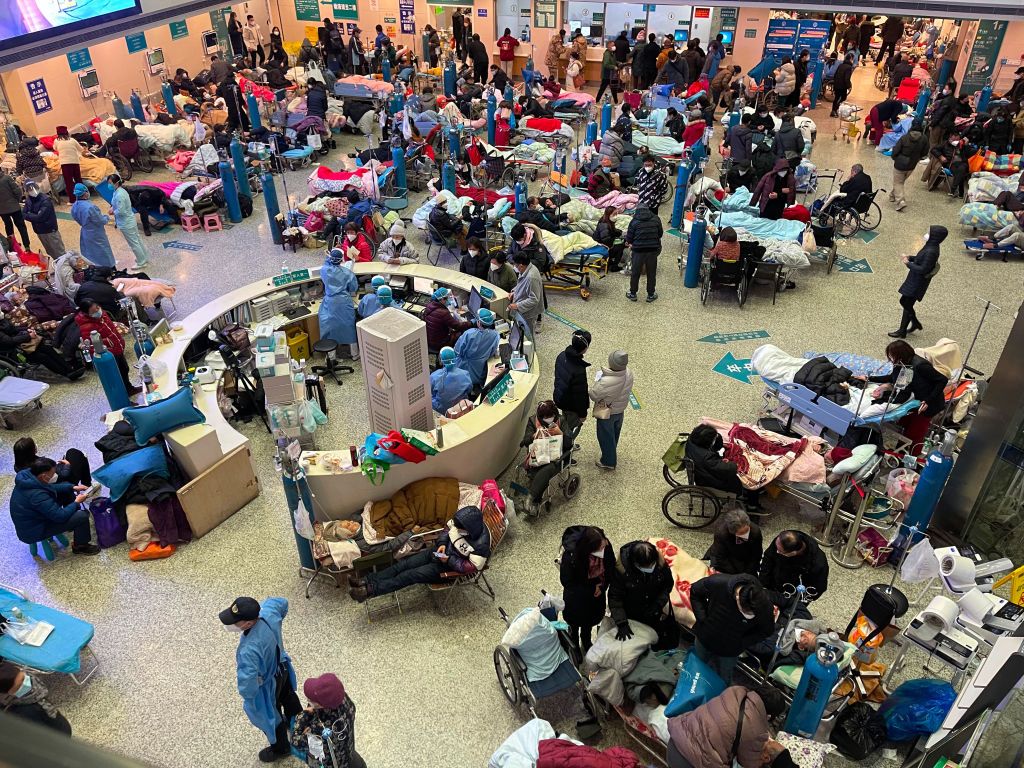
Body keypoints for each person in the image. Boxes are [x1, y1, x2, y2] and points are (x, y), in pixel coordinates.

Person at [349, 505, 491, 601]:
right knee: (402, 565)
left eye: (459, 528)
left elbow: (470, 567)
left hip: (446, 567)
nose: (455, 527)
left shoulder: (480, 546)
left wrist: (448, 560)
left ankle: (369, 590)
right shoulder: (459, 522)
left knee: (408, 575)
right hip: (437, 553)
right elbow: (446, 531)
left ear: (468, 529)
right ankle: (366, 580)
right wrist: (441, 544)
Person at [219, 597, 300, 763]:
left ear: (248, 624)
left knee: (271, 714)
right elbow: (282, 603)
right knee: (288, 696)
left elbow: (247, 681)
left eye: (236, 622)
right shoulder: (267, 614)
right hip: (282, 667)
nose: (233, 624)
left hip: (269, 684)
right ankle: (298, 723)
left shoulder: (249, 649)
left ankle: (282, 748)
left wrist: (250, 699)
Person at [666, 685, 792, 768]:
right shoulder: (756, 732)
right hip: (689, 762)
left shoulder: (735, 691)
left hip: (675, 740)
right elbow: (749, 763)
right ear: (769, 715)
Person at [866, 339, 948, 451]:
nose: (890, 359)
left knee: (915, 432)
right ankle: (901, 448)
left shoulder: (920, 366)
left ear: (901, 355)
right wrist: (870, 379)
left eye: (892, 356)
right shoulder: (902, 364)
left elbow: (942, 380)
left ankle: (912, 455)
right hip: (914, 400)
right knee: (904, 424)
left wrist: (928, 400)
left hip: (929, 403)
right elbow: (893, 378)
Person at [691, 574, 774, 682]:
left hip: (730, 651)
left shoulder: (763, 604)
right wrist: (702, 619)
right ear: (737, 598)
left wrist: (742, 642)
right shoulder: (718, 582)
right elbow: (695, 591)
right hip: (704, 638)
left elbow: (767, 630)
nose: (749, 616)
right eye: (746, 613)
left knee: (723, 679)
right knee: (696, 670)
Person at [10, 458, 98, 554]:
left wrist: (71, 487)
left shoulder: (27, 477)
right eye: (52, 474)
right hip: (35, 531)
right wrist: (76, 502)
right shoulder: (37, 495)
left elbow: (48, 487)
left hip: (33, 521)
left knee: (66, 490)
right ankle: (80, 546)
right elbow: (60, 516)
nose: (54, 475)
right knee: (82, 516)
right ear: (44, 476)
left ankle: (72, 523)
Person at [608, 540, 677, 650]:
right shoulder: (622, 571)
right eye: (647, 566)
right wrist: (622, 623)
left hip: (653, 612)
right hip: (630, 614)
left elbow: (667, 586)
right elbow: (615, 597)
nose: (651, 568)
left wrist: (658, 604)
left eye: (652, 565)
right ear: (635, 563)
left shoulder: (660, 564)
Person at [560, 525, 616, 653]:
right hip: (576, 599)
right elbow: (567, 581)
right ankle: (574, 642)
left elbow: (610, 567)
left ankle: (586, 640)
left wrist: (602, 586)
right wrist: (591, 589)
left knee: (588, 624)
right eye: (600, 548)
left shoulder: (605, 545)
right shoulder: (571, 557)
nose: (604, 548)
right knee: (574, 624)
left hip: (595, 599)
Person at [291, 673, 366, 768]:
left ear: (320, 705)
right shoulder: (345, 701)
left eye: (310, 700)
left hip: (331, 764)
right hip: (348, 754)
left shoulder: (319, 729)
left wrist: (302, 715)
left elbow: (296, 741)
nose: (308, 701)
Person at [75, 297, 141, 395]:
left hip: (117, 348)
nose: (98, 311)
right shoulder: (86, 326)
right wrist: (107, 345)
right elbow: (92, 345)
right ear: (87, 314)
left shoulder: (102, 314)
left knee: (124, 369)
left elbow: (112, 329)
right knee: (115, 376)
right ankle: (122, 396)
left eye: (98, 307)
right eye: (94, 310)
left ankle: (129, 389)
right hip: (108, 354)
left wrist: (119, 341)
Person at [888, 225, 945, 338]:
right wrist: (911, 258)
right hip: (915, 279)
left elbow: (923, 269)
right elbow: (921, 259)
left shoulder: (931, 251)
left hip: (917, 282)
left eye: (929, 233)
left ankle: (905, 328)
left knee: (906, 302)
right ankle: (912, 324)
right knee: (906, 302)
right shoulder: (931, 246)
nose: (926, 234)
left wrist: (907, 263)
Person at [0, 305, 82, 379]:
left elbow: (13, 329)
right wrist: (28, 336)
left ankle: (69, 368)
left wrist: (27, 329)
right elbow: (8, 341)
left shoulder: (2, 320)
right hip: (14, 352)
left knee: (47, 348)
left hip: (21, 343)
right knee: (42, 356)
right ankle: (67, 373)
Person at [520, 401, 575, 510]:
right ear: (540, 416)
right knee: (538, 470)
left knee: (547, 469)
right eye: (545, 417)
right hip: (538, 456)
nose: (548, 419)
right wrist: (533, 436)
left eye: (551, 416)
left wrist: (560, 433)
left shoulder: (561, 420)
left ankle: (531, 497)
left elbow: (569, 444)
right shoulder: (533, 421)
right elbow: (524, 442)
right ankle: (534, 498)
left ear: (555, 414)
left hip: (557, 458)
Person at [758, 530, 829, 605]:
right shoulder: (781, 541)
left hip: (792, 597)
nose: (777, 552)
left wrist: (795, 603)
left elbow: (817, 589)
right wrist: (763, 584)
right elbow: (768, 558)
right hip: (773, 585)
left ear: (793, 553)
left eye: (780, 551)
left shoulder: (818, 564)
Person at [589, 350, 634, 470]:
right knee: (614, 433)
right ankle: (612, 452)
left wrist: (597, 382)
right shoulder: (629, 373)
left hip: (607, 413)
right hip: (620, 410)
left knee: (605, 437)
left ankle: (608, 461)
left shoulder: (605, 382)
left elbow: (594, 395)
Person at [0, 662, 72, 734]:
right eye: (21, 681)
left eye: (24, 676)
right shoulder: (23, 712)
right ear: (9, 692)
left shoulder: (32, 690)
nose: (27, 680)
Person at [318, 248, 359, 360]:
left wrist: (328, 256)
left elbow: (327, 263)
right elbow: (353, 288)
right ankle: (355, 354)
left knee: (331, 329)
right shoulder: (347, 272)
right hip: (344, 302)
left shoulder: (324, 270)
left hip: (330, 302)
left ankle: (331, 357)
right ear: (341, 260)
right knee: (349, 328)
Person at [107, 174, 149, 270]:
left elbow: (121, 211)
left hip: (126, 223)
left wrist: (113, 212)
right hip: (129, 220)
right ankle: (144, 257)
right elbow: (118, 205)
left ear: (116, 183)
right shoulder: (119, 191)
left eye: (110, 183)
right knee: (137, 240)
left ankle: (141, 262)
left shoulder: (120, 194)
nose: (108, 185)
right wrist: (113, 207)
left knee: (133, 243)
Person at [13, 437, 92, 488]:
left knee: (71, 454)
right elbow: (63, 475)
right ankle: (87, 485)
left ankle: (87, 485)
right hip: (63, 483)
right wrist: (67, 465)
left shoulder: (18, 467)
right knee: (75, 453)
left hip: (49, 484)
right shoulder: (40, 466)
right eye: (34, 445)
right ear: (31, 451)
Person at [70, 183, 115, 268]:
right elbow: (100, 220)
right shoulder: (90, 207)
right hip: (96, 233)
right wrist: (106, 217)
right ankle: (109, 268)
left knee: (90, 253)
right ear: (85, 193)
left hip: (85, 232)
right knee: (103, 251)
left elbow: (76, 218)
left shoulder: (74, 206)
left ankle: (94, 269)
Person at [625, 203, 663, 303]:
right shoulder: (656, 219)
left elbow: (629, 238)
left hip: (638, 251)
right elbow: (660, 234)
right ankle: (650, 295)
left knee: (635, 273)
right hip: (652, 251)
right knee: (651, 273)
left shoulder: (634, 221)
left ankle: (633, 294)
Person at [706, 510, 762, 576]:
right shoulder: (722, 533)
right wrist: (735, 575)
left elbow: (756, 555)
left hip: (746, 557)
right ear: (732, 532)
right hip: (727, 559)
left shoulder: (755, 531)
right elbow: (721, 557)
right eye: (741, 533)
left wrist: (747, 573)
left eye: (747, 531)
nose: (746, 535)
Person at [453, 308, 499, 388]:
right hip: (479, 370)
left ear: (479, 322)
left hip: (463, 369)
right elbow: (492, 353)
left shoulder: (469, 333)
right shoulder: (495, 335)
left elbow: (457, 350)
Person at [553, 328, 591, 422]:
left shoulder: (561, 355)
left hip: (560, 397)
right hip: (571, 407)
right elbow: (580, 395)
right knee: (569, 430)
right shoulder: (579, 369)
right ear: (585, 348)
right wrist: (583, 414)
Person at [422, 287, 472, 353]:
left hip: (430, 340)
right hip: (440, 343)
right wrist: (470, 323)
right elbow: (458, 326)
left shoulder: (429, 306)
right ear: (441, 299)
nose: (448, 300)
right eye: (446, 298)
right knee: (463, 332)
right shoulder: (443, 313)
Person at [508, 253, 543, 336]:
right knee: (520, 332)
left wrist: (517, 305)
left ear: (520, 265)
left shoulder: (531, 277)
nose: (514, 267)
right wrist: (514, 291)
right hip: (523, 308)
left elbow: (534, 299)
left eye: (515, 265)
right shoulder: (526, 269)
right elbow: (522, 285)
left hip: (528, 312)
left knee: (527, 335)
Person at [430, 346, 474, 413]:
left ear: (441, 360)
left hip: (441, 410)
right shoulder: (465, 374)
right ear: (455, 359)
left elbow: (431, 392)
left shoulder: (434, 376)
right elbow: (469, 390)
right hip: (460, 407)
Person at [52, 126, 85, 203]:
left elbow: (55, 148)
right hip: (75, 162)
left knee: (69, 182)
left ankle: (73, 200)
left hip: (65, 163)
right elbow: (80, 149)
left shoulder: (56, 141)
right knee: (78, 180)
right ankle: (83, 196)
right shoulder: (72, 140)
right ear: (67, 132)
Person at [0, 169, 30, 251]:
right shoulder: (7, 178)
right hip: (14, 207)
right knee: (21, 227)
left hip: (2, 210)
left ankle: (13, 246)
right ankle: (27, 246)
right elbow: (17, 191)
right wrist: (17, 201)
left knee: (8, 226)